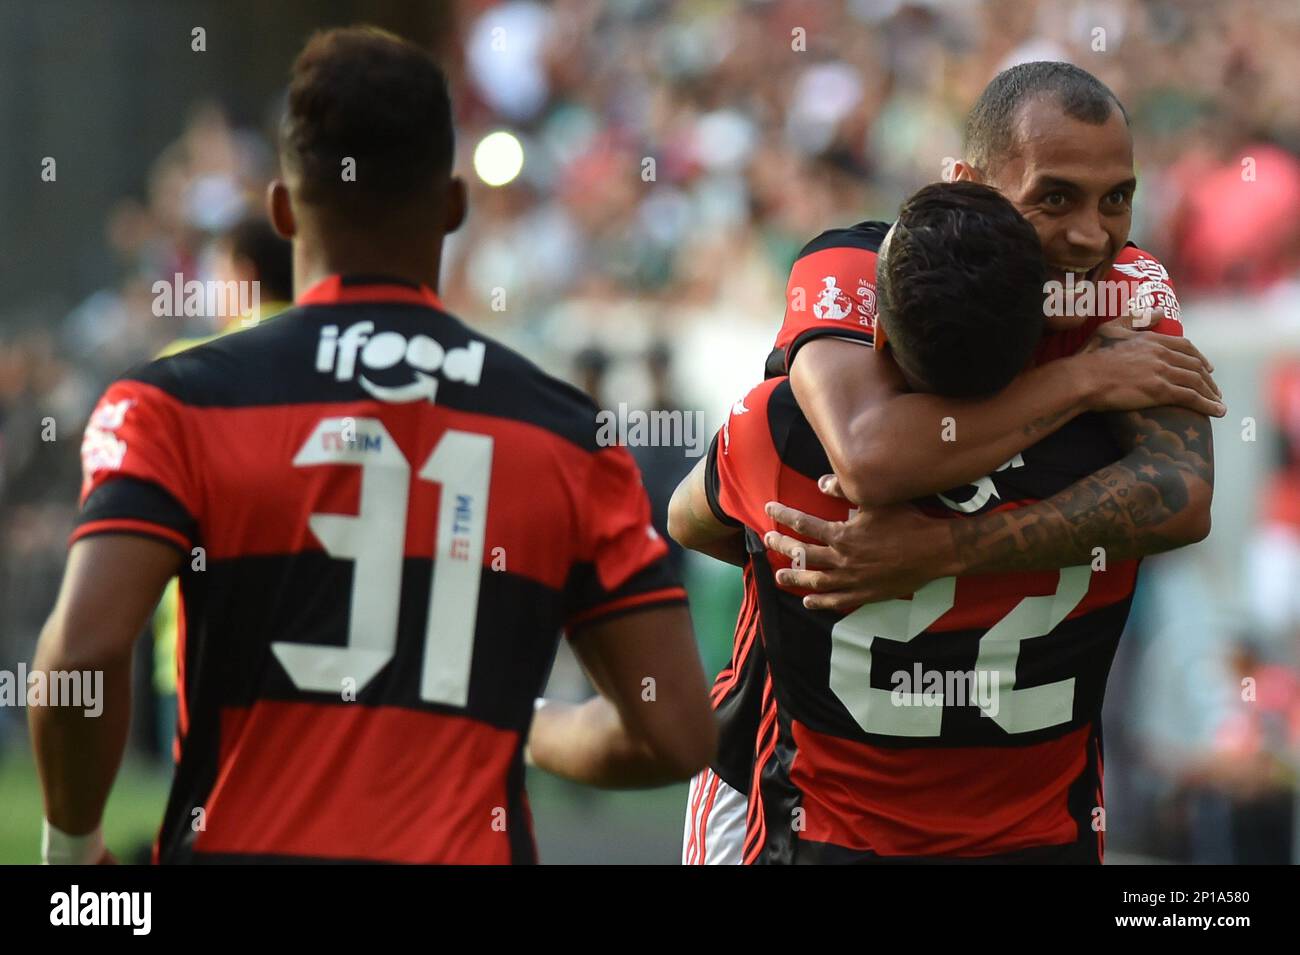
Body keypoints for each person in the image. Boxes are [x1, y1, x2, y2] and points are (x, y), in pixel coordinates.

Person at [29, 26, 714, 866]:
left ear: (283, 211)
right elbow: (679, 730)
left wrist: (70, 855)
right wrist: (524, 723)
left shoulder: (172, 402)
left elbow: (86, 653)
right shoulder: (563, 432)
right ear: (454, 204)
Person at [676, 61, 1222, 864]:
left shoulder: (1128, 285)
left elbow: (1184, 494)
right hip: (799, 784)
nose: (1093, 235)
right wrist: (1084, 380)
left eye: (1118, 198)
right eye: (1055, 196)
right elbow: (869, 460)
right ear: (969, 183)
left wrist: (942, 553)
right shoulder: (855, 269)